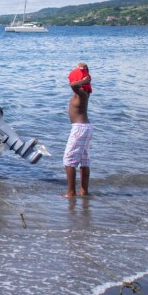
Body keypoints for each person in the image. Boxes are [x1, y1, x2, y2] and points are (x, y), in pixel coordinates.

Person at [63, 62, 93, 197]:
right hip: (85, 128)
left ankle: (71, 192)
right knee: (84, 160)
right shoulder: (84, 93)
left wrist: (83, 80)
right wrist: (85, 70)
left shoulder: (81, 93)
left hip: (79, 128)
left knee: (69, 159)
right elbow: (75, 84)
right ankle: (84, 191)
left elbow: (73, 85)